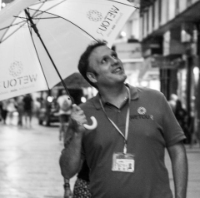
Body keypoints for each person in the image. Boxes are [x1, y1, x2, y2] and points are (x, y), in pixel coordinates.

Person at [59, 41, 188, 198]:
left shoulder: (155, 99)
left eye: (114, 55)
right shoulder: (83, 114)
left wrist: (181, 196)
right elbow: (67, 170)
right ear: (92, 76)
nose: (115, 61)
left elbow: (177, 150)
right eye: (104, 60)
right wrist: (77, 133)